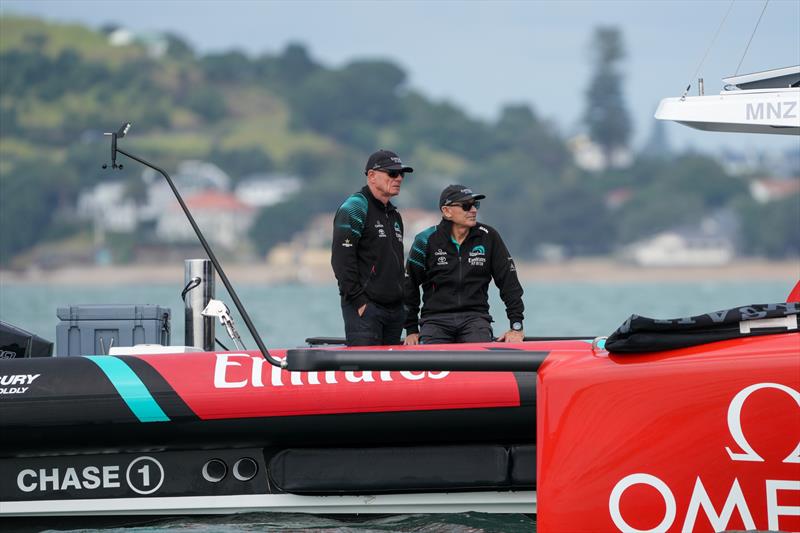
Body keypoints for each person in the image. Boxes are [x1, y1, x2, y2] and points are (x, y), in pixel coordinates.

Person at [404, 184, 525, 345]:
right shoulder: (425, 240)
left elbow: (509, 284)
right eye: (466, 206)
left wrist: (516, 326)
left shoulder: (489, 237)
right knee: (432, 360)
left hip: (475, 318)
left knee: (479, 358)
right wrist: (411, 329)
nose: (473, 210)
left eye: (476, 205)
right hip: (435, 320)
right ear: (446, 211)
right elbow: (408, 286)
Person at [331, 149, 413, 346]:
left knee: (389, 376)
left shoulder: (394, 215)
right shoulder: (354, 207)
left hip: (394, 312)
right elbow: (341, 261)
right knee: (366, 374)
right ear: (372, 176)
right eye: (392, 173)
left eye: (401, 174)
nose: (399, 178)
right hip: (366, 310)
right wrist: (360, 302)